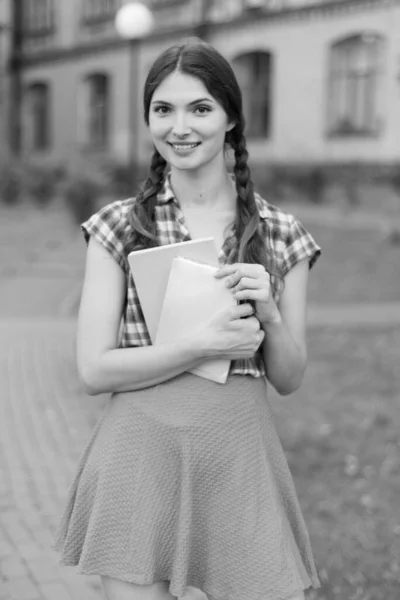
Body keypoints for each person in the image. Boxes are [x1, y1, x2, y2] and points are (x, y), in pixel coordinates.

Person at [53, 37, 322, 600]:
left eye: (200, 108)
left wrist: (269, 311)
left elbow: (291, 378)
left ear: (230, 119)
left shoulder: (279, 233)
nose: (180, 126)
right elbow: (95, 372)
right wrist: (200, 344)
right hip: (138, 452)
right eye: (163, 109)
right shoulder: (117, 228)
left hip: (239, 453)